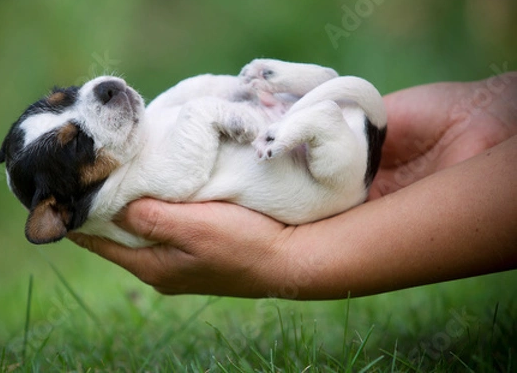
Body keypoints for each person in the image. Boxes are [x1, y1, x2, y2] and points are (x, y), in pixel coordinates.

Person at [68, 71, 517, 300]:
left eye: (66, 98)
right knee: (329, 107)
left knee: (330, 102)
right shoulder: (142, 181)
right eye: (74, 143)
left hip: (313, 153)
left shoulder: (135, 166)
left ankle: (313, 108)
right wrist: (480, 113)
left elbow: (195, 96)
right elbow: (198, 116)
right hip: (324, 167)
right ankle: (314, 112)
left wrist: (281, 257)